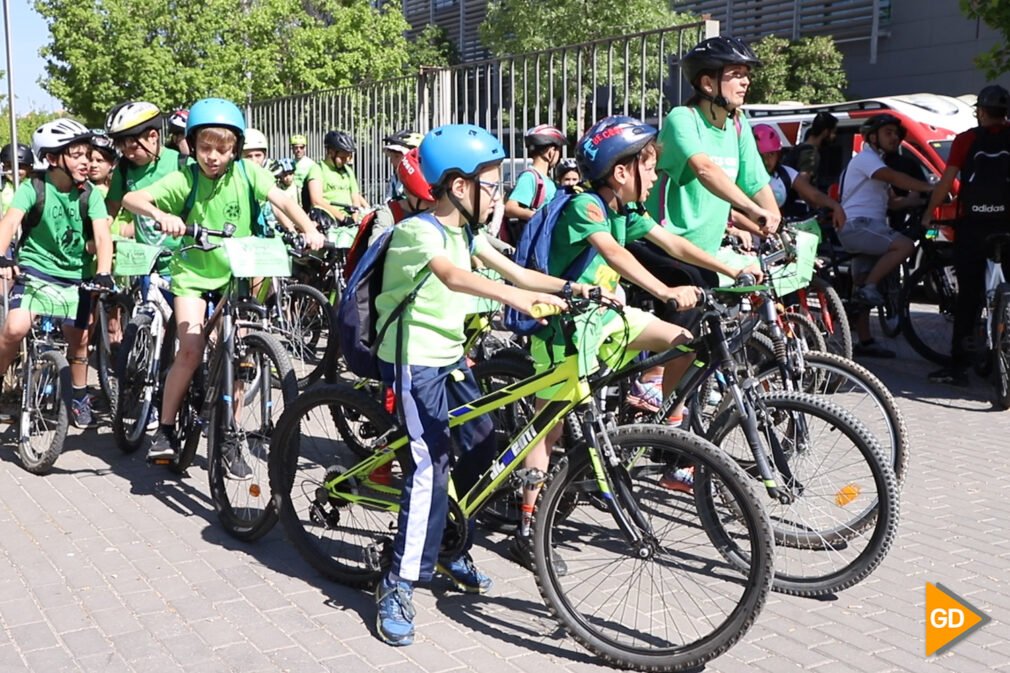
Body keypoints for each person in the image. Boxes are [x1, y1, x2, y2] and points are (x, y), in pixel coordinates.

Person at [370, 123, 601, 647]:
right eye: (491, 184)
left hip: (450, 358)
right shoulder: (420, 231)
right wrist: (515, 302)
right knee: (429, 466)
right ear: (458, 186)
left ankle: (449, 548)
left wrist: (573, 287)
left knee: (478, 452)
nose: (497, 194)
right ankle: (398, 582)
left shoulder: (467, 232)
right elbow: (455, 277)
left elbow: (515, 272)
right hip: (413, 362)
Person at [512, 115, 762, 568]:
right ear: (621, 171)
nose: (654, 177)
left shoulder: (625, 208)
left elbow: (674, 245)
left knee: (687, 340)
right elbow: (614, 253)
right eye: (648, 167)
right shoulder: (585, 205)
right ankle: (526, 525)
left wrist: (731, 270)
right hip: (564, 331)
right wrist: (666, 292)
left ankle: (650, 412)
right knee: (548, 428)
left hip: (607, 321)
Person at [120, 98, 325, 470]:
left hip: (236, 273)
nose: (213, 157)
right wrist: (161, 214)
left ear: (236, 149)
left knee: (241, 355)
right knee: (191, 349)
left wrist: (308, 228)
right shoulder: (186, 177)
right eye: (205, 148)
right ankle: (164, 429)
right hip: (193, 275)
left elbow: (281, 198)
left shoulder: (248, 173)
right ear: (193, 145)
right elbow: (133, 198)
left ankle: (230, 433)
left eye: (222, 149)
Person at [0, 120, 115, 427]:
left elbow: (104, 237)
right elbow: (10, 223)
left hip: (76, 276)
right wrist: (1, 255)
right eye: (76, 155)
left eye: (87, 155)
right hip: (36, 271)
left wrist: (103, 272)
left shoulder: (90, 196)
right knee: (14, 328)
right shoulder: (33, 188)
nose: (86, 162)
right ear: (52, 159)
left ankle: (78, 396)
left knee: (78, 342)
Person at [921, 85, 1010, 386]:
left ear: (981, 112)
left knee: (969, 298)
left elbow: (946, 183)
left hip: (974, 225)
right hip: (1008, 224)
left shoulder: (966, 140)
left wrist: (928, 214)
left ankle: (958, 367)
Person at [837, 113, 934, 357]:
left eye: (896, 134)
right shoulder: (867, 159)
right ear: (872, 137)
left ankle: (865, 341)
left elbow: (892, 203)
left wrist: (913, 199)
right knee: (905, 246)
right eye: (888, 133)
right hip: (859, 226)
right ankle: (871, 287)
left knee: (861, 288)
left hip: (869, 228)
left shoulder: (877, 162)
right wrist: (932, 187)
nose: (895, 138)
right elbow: (894, 178)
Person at [104, 101, 186, 267]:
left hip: (182, 261)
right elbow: (111, 207)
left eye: (134, 148)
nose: (129, 155)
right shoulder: (124, 168)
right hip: (146, 263)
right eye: (123, 150)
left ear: (153, 136)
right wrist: (98, 236)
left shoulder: (181, 164)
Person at [752, 123, 845, 226]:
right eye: (760, 155)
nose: (766, 160)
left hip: (774, 233)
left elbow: (813, 194)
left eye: (771, 154)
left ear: (778, 154)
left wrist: (835, 206)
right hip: (746, 235)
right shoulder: (743, 176)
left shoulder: (785, 173)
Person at [501, 124, 565, 244]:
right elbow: (510, 208)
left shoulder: (548, 180)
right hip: (536, 242)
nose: (559, 155)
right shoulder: (530, 177)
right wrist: (540, 217)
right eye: (558, 150)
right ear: (550, 152)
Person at [305, 130, 369, 220]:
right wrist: (343, 218)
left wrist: (354, 218)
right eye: (342, 157)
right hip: (329, 220)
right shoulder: (318, 169)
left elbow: (355, 199)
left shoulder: (348, 171)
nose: (346, 161)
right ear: (331, 152)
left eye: (348, 157)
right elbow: (316, 201)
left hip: (350, 219)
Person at [783, 110, 838, 192]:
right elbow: (803, 186)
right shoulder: (810, 154)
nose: (834, 136)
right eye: (833, 132)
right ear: (825, 132)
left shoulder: (797, 148)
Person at [381, 130, 424, 203]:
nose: (392, 161)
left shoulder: (425, 180)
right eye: (391, 157)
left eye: (396, 156)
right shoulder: (395, 180)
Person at [0, 143, 33, 215]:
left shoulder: (33, 187)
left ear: (29, 169)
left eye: (20, 167)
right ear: (3, 167)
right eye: (9, 166)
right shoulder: (2, 186)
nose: (14, 171)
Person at [289, 133, 315, 206]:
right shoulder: (290, 163)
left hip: (306, 197)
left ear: (305, 148)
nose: (298, 150)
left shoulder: (311, 164)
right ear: (292, 148)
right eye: (296, 147)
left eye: (301, 147)